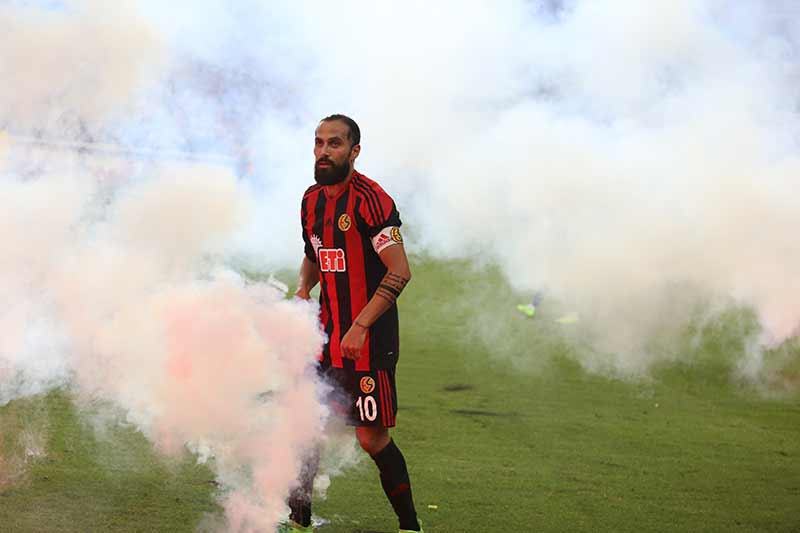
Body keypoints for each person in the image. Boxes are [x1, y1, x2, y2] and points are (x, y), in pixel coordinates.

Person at [279, 115, 422, 533]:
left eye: (335, 144)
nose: (324, 152)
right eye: (319, 143)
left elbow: (399, 271)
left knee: (370, 439)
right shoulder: (310, 200)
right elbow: (315, 251)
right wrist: (304, 288)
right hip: (323, 334)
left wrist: (359, 326)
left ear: (354, 151)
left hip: (369, 340)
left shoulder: (371, 200)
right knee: (306, 422)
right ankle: (298, 520)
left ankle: (410, 527)